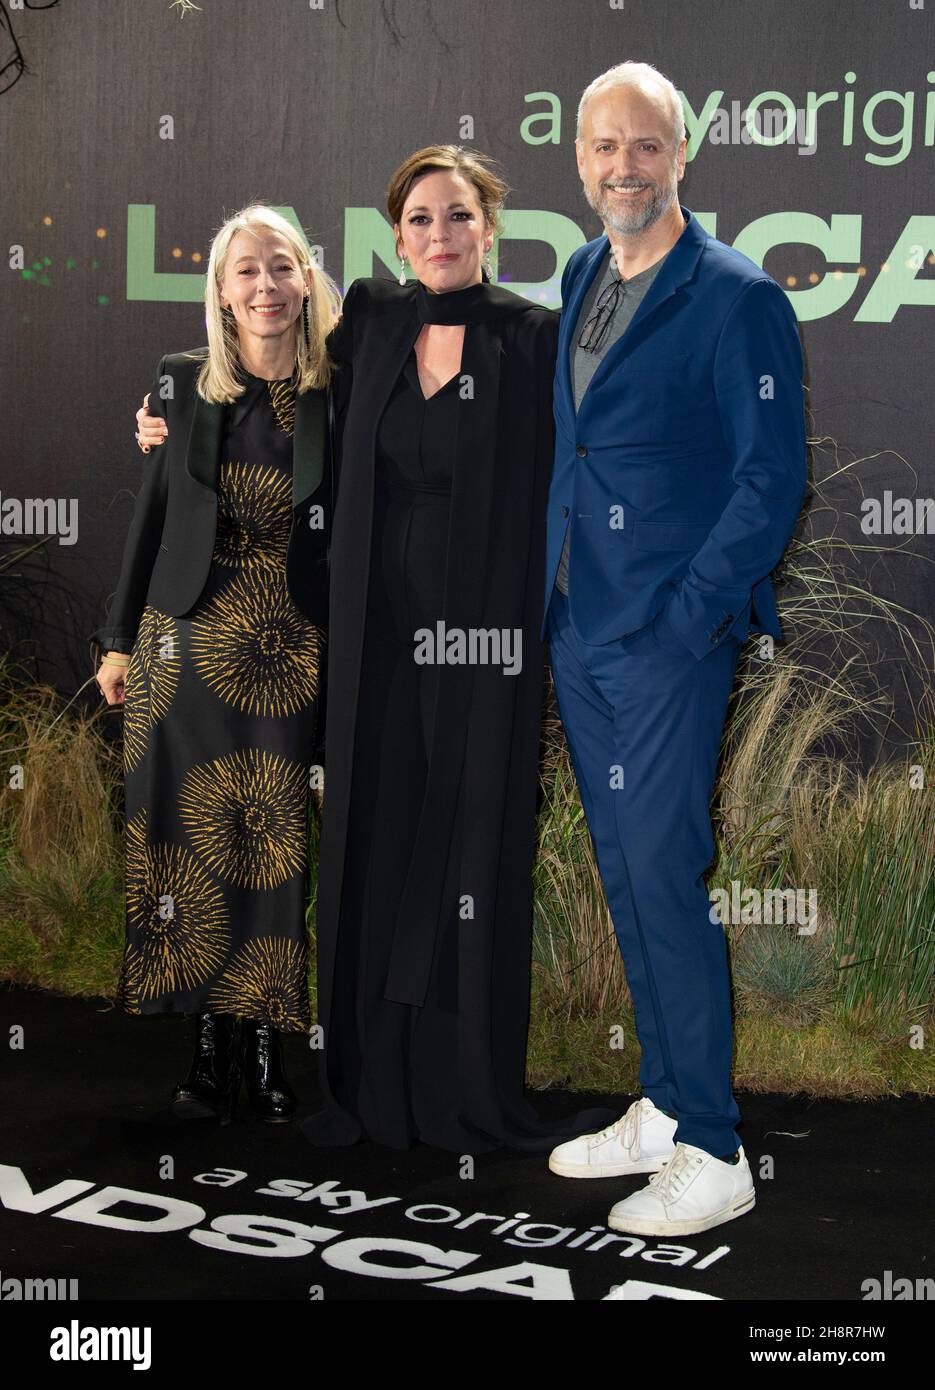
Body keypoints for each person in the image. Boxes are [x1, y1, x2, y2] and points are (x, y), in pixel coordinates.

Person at [543, 63, 807, 1234]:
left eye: (643, 147)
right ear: (581, 159)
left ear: (680, 155)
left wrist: (686, 614)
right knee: (622, 868)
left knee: (662, 872)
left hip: (665, 642)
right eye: (603, 147)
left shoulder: (736, 295)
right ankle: (659, 1102)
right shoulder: (578, 270)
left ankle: (712, 1145)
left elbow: (768, 479)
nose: (621, 168)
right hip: (576, 629)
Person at [93, 204, 339, 1125]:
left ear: (306, 278)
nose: (265, 287)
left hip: (284, 649)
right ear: (220, 291)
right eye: (246, 271)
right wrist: (117, 638)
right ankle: (206, 1048)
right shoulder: (182, 383)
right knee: (181, 844)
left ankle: (269, 1051)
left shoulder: (335, 390)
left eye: (281, 267)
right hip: (178, 643)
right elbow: (149, 518)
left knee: (268, 842)